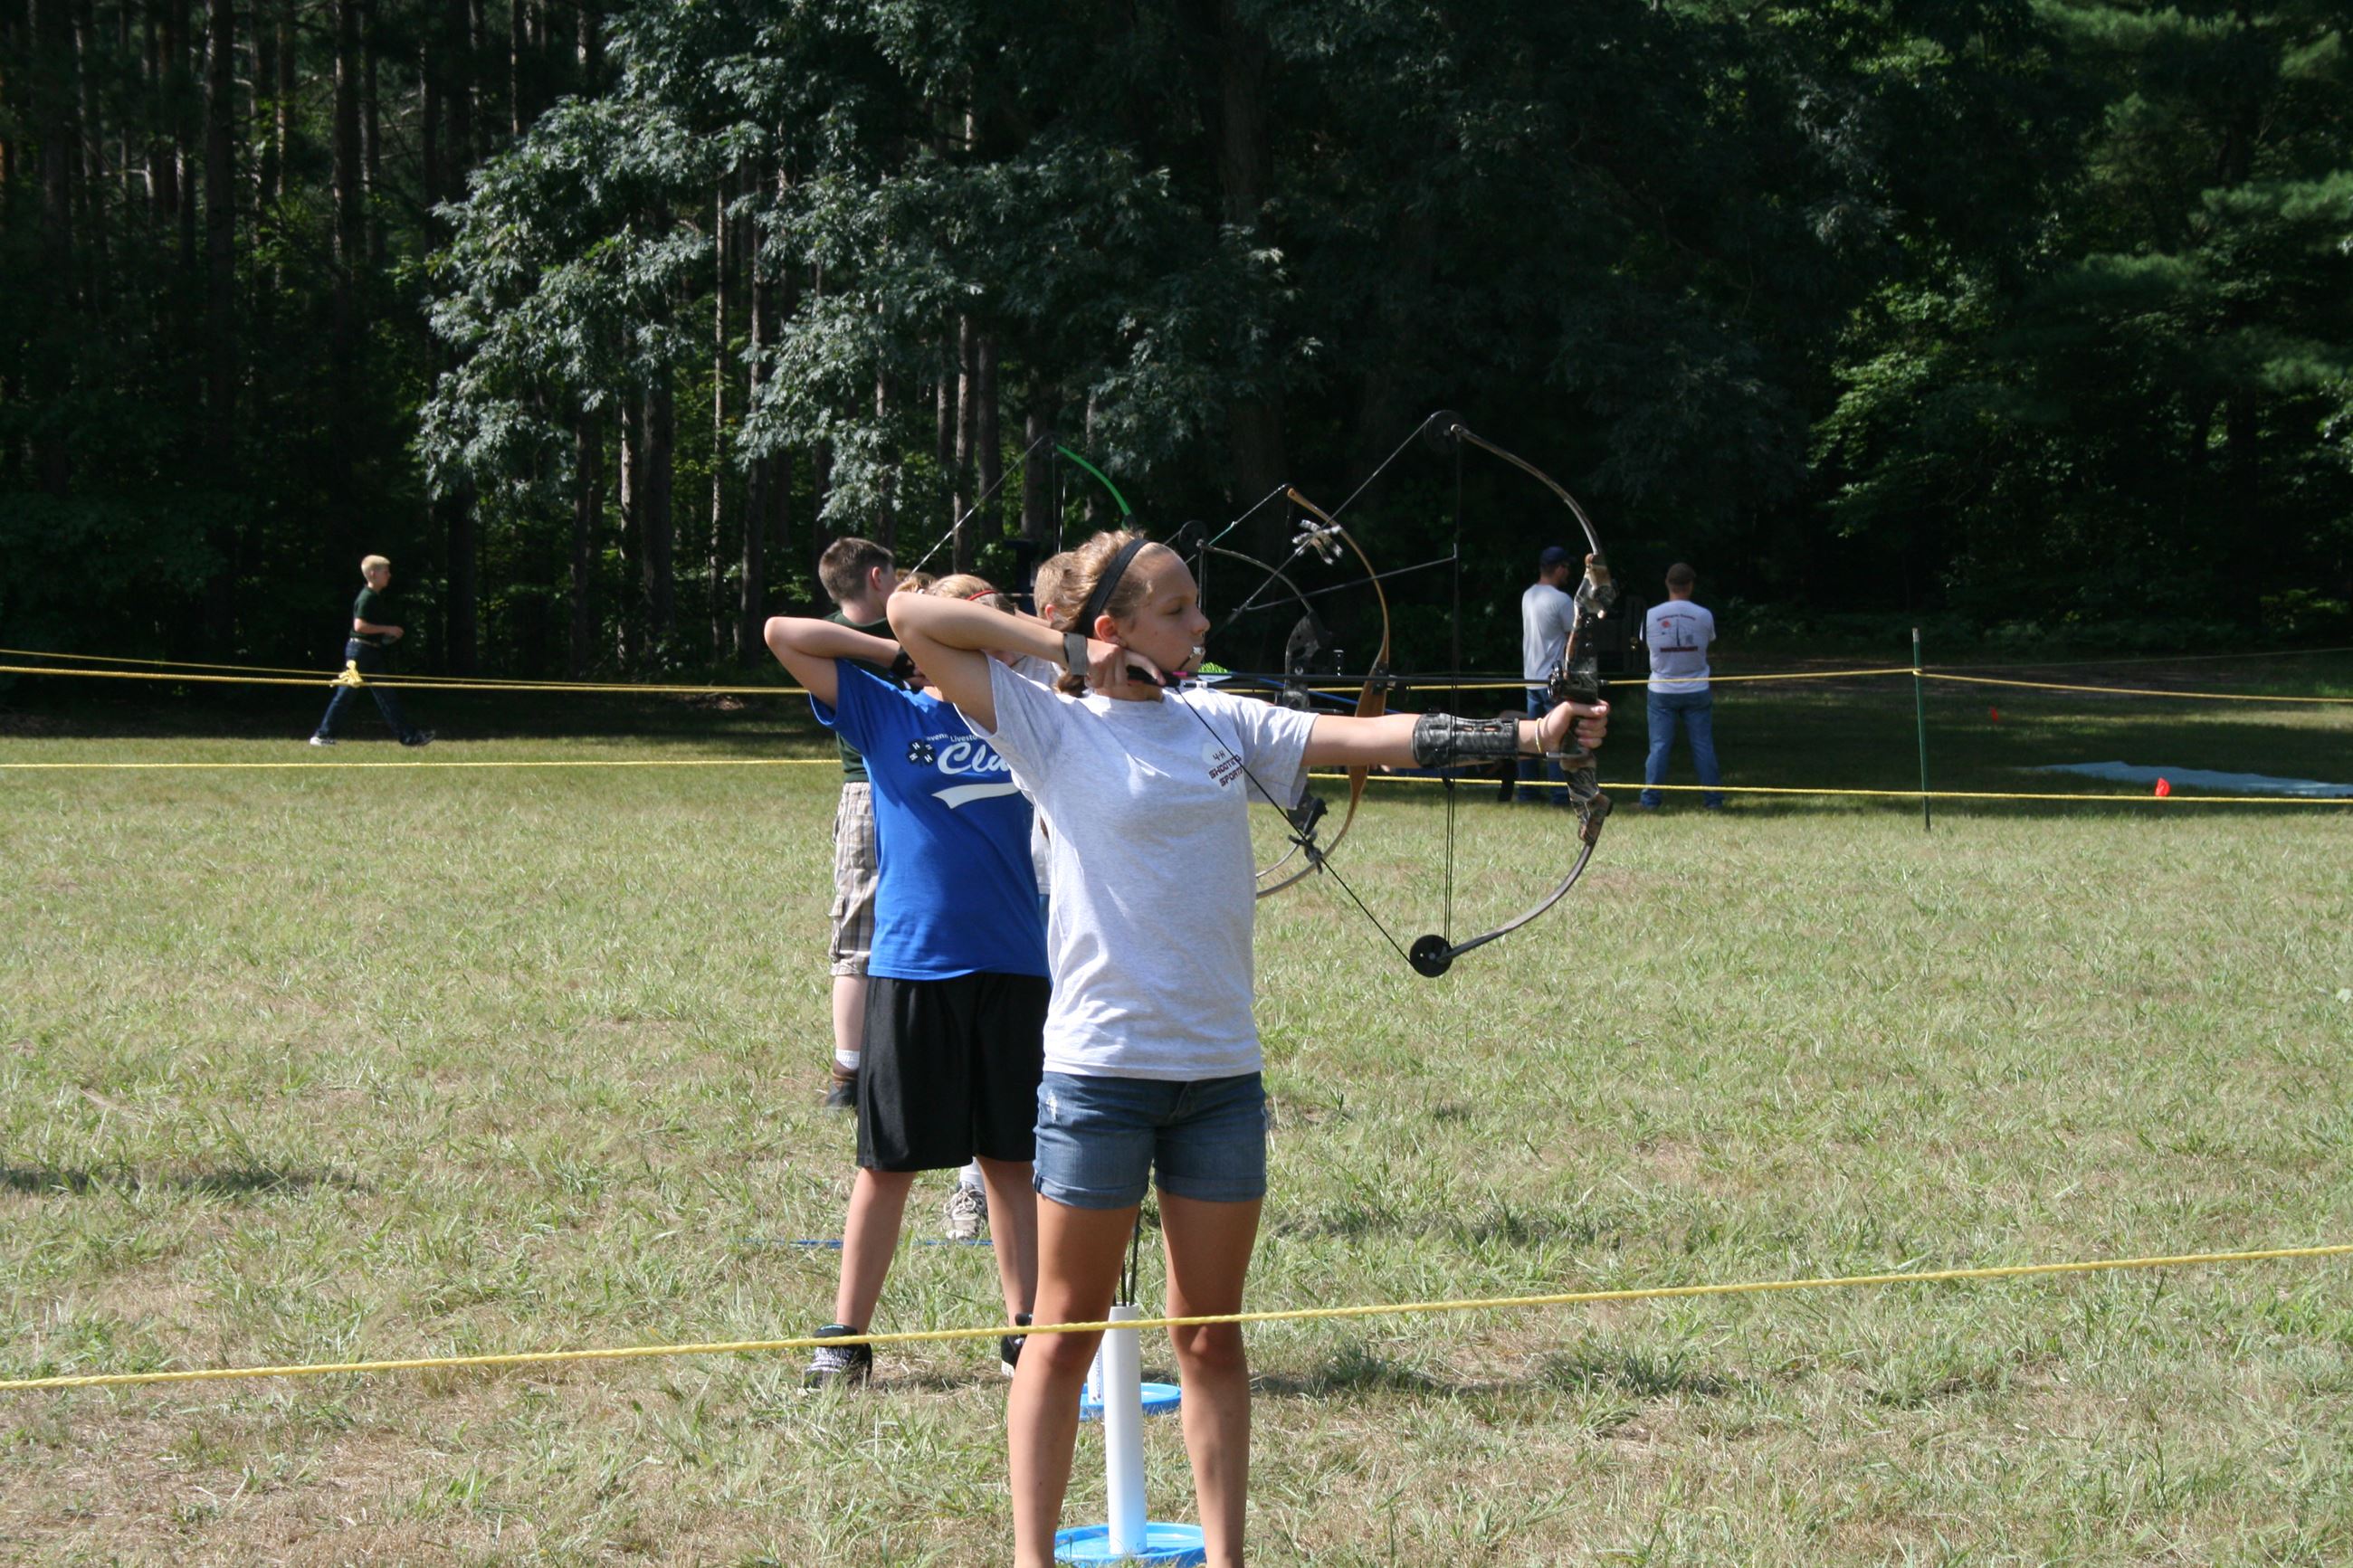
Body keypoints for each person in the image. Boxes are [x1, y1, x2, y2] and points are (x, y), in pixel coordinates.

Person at [888, 530, 1607, 1568]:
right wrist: (1051, 649)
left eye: (1196, 605)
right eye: (1175, 609)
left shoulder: (1217, 716)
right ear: (1113, 626)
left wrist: (1534, 734)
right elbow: (912, 620)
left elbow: (1372, 741)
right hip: (1098, 1075)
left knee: (1210, 1333)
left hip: (1220, 1076)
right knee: (1061, 1334)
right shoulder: (1047, 723)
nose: (1200, 624)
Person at [764, 575, 1047, 1387]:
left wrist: (1007, 641)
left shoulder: (1027, 713)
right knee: (887, 1161)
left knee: (1010, 1158)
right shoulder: (890, 711)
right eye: (962, 625)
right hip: (915, 965)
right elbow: (786, 632)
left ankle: (1024, 1328)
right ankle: (846, 1335)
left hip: (1015, 964)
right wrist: (899, 649)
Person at [814, 537, 901, 1111]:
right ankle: (849, 1072)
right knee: (860, 933)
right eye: (892, 578)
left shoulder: (892, 630)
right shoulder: (830, 639)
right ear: (876, 577)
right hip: (870, 793)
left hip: (912, 790)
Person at [310, 555, 433, 747]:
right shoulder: (367, 597)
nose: (389, 576)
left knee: (387, 696)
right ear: (373, 574)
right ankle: (322, 735)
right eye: (386, 572)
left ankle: (409, 737)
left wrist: (386, 635)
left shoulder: (375, 597)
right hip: (359, 652)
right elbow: (359, 626)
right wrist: (387, 629)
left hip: (370, 652)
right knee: (346, 694)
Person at [1641, 561, 1723, 810]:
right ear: (1690, 585)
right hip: (1696, 688)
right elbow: (1708, 641)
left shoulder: (1651, 615)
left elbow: (1647, 644)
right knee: (1703, 745)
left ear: (1668, 583)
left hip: (1661, 690)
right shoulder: (1704, 615)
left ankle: (1650, 800)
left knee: (1659, 747)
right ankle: (1713, 800)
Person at [1518, 545, 1578, 804]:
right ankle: (1558, 793)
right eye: (1567, 568)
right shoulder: (1562, 600)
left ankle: (1528, 791)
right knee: (1556, 737)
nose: (1568, 573)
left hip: (1531, 676)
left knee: (1532, 737)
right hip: (1553, 680)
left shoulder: (1528, 595)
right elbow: (1573, 638)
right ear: (1560, 568)